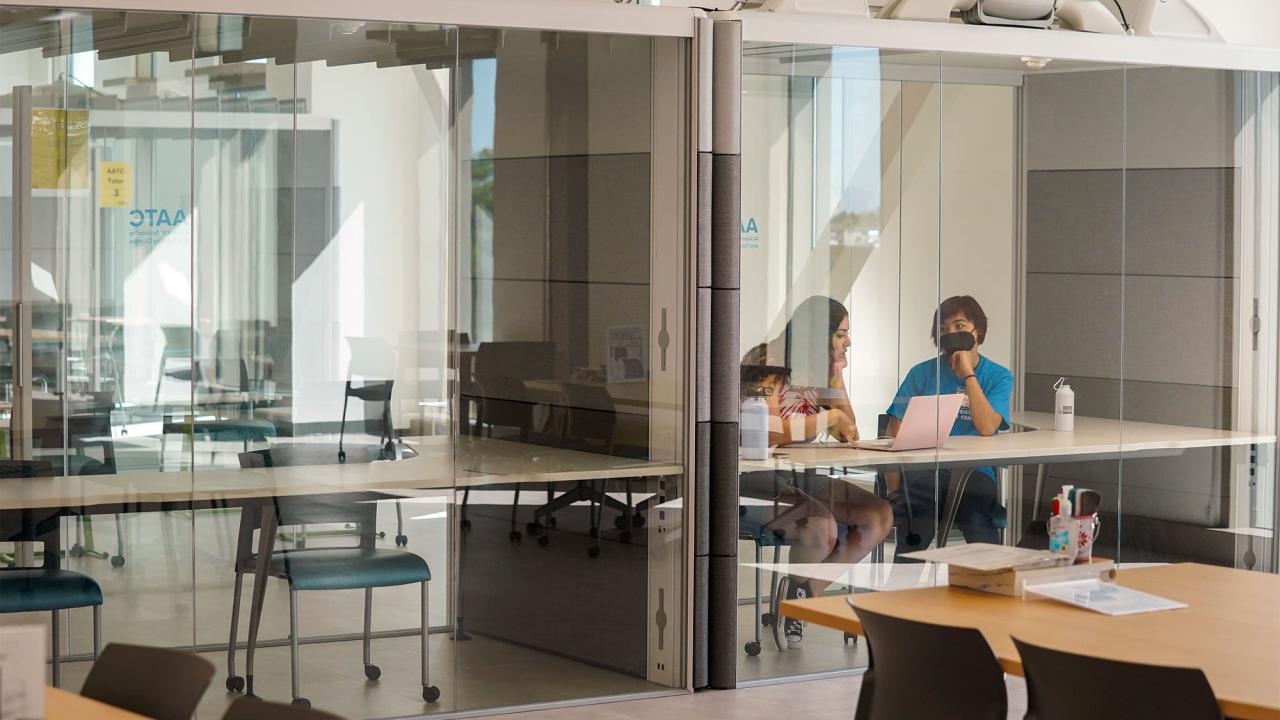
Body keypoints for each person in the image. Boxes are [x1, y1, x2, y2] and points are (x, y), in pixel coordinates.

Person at [740, 296, 892, 646]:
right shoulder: (766, 362)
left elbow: (849, 432)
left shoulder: (819, 371)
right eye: (841, 334)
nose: (848, 342)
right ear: (817, 335)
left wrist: (836, 379)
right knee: (821, 526)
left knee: (878, 515)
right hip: (755, 480)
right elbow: (768, 431)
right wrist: (828, 417)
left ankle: (801, 596)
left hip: (801, 477)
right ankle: (796, 604)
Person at [884, 295, 1013, 558]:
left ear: (979, 330)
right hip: (926, 471)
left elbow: (987, 427)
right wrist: (894, 491)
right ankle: (902, 582)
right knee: (919, 518)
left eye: (960, 325)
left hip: (975, 473)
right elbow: (894, 431)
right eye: (944, 329)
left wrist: (968, 375)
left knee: (976, 517)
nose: (952, 334)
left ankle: (991, 578)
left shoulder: (999, 376)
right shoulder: (921, 373)